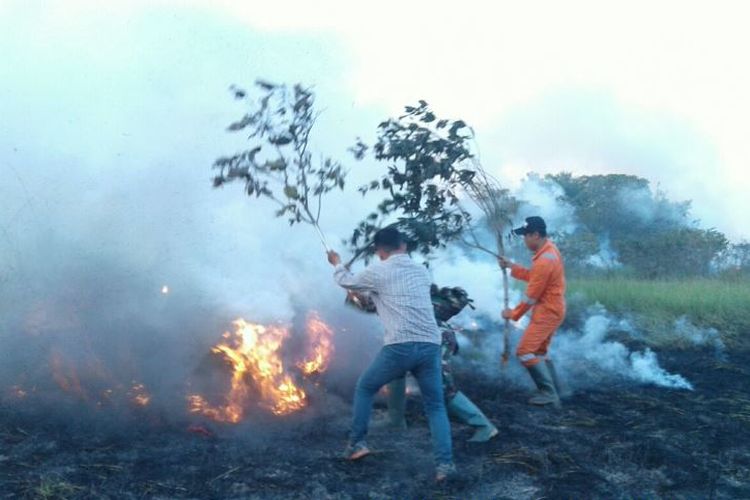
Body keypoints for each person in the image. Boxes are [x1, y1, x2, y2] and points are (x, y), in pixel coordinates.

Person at [327, 227, 456, 482]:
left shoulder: (378, 270)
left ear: (380, 251)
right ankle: (445, 466)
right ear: (403, 246)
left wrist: (336, 263)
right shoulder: (421, 271)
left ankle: (357, 444)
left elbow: (345, 281)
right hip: (431, 344)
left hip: (400, 345)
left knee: (365, 387)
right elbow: (386, 295)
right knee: (435, 406)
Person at [350, 285, 498, 442]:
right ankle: (395, 421)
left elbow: (367, 305)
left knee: (442, 387)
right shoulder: (410, 293)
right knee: (395, 371)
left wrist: (348, 285)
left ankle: (483, 426)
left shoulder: (402, 295)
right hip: (416, 339)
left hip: (435, 340)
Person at [498, 216, 566, 408]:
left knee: (525, 351)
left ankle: (548, 393)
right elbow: (534, 277)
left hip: (548, 311)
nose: (524, 240)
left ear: (536, 235)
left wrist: (512, 314)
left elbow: (531, 297)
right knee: (540, 352)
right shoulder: (549, 252)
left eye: (526, 236)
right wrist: (512, 266)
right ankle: (557, 389)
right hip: (552, 309)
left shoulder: (545, 260)